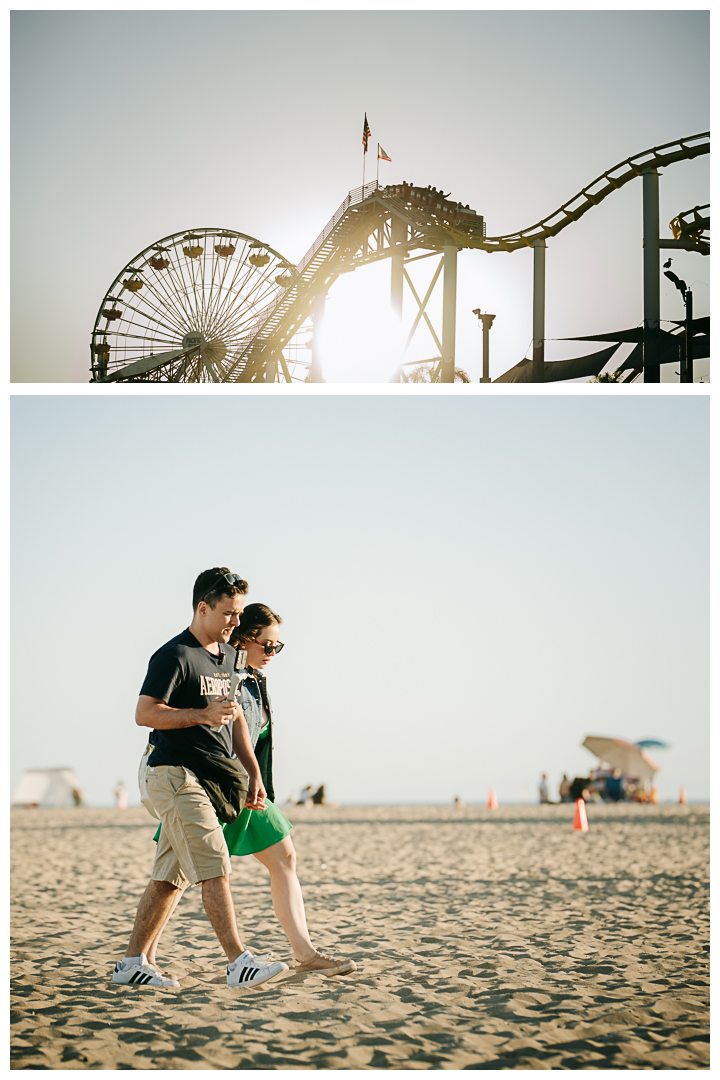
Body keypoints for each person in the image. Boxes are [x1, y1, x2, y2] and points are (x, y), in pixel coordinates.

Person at [150, 603, 356, 978]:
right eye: (267, 645)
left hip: (247, 785)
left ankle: (305, 953)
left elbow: (251, 735)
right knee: (173, 875)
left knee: (284, 857)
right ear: (245, 640)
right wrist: (240, 777)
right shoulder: (223, 675)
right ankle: (140, 958)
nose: (273, 654)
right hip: (212, 783)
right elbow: (208, 733)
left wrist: (256, 777)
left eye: (278, 647)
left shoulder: (254, 679)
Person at [112, 568, 288, 990]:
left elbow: (237, 719)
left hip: (208, 776)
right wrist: (200, 716)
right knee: (214, 861)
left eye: (239, 613)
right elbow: (145, 713)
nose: (235, 622)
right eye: (228, 613)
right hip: (171, 772)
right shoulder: (174, 655)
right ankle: (238, 962)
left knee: (169, 878)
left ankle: (132, 963)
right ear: (202, 607)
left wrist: (253, 772)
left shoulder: (229, 657)